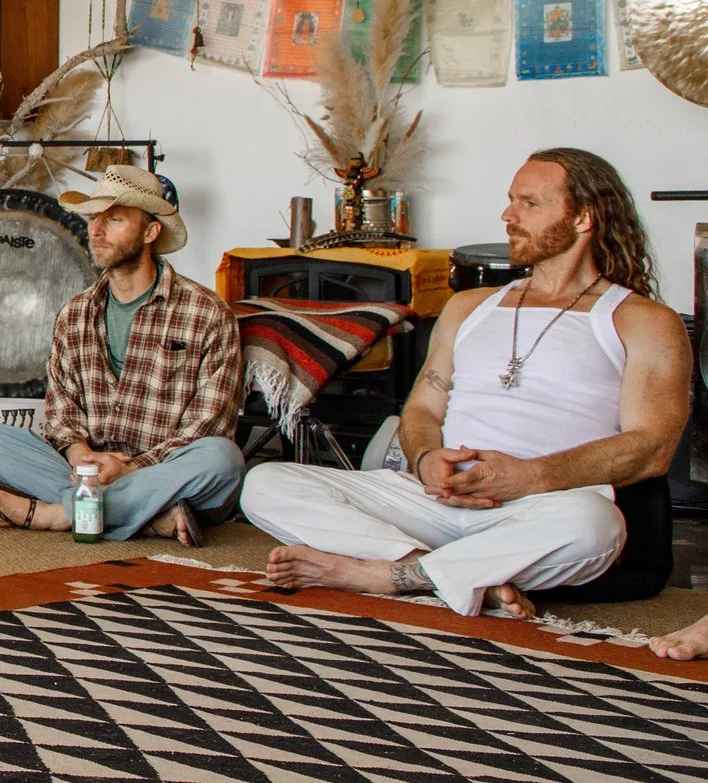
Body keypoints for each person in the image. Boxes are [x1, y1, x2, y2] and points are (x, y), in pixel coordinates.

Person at [244, 149, 690, 620]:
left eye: (530, 203)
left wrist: (530, 476)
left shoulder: (640, 319)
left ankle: (383, 575)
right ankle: (456, 574)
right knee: (267, 483)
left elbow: (652, 447)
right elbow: (423, 410)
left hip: (539, 509)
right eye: (511, 200)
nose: (508, 215)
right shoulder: (470, 306)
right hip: (434, 502)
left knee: (594, 526)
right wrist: (425, 458)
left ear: (583, 218)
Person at [0, 165, 244, 543]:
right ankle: (148, 518)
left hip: (165, 471)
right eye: (94, 218)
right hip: (87, 472)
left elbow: (210, 425)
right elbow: (61, 411)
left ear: (150, 232)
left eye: (113, 219)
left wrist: (131, 469)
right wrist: (79, 455)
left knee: (222, 460)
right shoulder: (74, 313)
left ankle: (58, 514)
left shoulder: (207, 312)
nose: (96, 230)